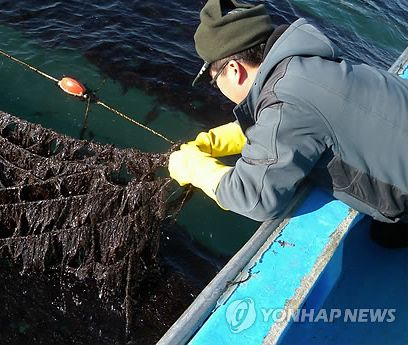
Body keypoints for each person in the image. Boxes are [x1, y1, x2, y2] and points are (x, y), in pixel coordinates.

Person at [168, 0, 408, 229]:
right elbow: (305, 117)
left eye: (214, 81)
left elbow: (254, 197)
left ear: (233, 70)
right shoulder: (307, 64)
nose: (218, 88)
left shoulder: (284, 101)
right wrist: (232, 136)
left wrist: (194, 168)